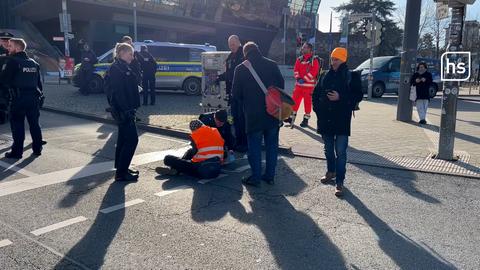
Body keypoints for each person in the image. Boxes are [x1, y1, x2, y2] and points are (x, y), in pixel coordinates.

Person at [231, 42, 284, 187]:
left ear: (245, 53)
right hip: (272, 113)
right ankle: (270, 176)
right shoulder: (272, 64)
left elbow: (236, 94)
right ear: (258, 50)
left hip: (253, 115)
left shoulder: (241, 68)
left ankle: (255, 177)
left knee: (254, 146)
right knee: (272, 146)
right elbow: (282, 86)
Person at [312, 47, 362, 197]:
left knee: (340, 152)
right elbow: (315, 93)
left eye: (336, 59)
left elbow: (358, 95)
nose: (333, 62)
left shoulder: (350, 76)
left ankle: (340, 181)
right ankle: (330, 172)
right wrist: (317, 110)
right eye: (332, 59)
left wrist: (340, 97)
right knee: (328, 149)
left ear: (343, 60)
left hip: (341, 119)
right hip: (325, 119)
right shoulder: (324, 74)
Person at [0, 38, 43, 159]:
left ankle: (17, 152)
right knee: (35, 124)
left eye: (10, 46)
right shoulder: (34, 63)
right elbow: (39, 84)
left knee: (17, 125)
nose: (8, 48)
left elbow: (4, 81)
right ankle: (37, 149)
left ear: (18, 48)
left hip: (18, 99)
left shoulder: (12, 62)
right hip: (34, 98)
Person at [107, 43, 141, 182]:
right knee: (132, 140)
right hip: (123, 110)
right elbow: (118, 92)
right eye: (130, 54)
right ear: (121, 53)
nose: (132, 57)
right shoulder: (116, 68)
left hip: (126, 109)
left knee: (123, 139)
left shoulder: (121, 66)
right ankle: (121, 173)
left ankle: (121, 168)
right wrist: (126, 110)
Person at [155, 120, 224, 179]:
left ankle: (175, 169)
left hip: (202, 170)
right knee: (190, 152)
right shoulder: (215, 131)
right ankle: (176, 169)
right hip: (217, 168)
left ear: (193, 130)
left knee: (168, 158)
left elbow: (195, 153)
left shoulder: (196, 135)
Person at [217, 35, 247, 152]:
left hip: (241, 94)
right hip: (232, 93)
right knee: (234, 118)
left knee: (242, 119)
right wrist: (219, 78)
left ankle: (244, 143)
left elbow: (239, 74)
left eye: (234, 44)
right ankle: (238, 142)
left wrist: (226, 76)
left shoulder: (243, 55)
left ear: (239, 42)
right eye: (230, 45)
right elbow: (229, 73)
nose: (232, 46)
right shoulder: (230, 56)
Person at [286, 42, 321, 128]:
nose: (302, 49)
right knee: (294, 102)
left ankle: (305, 120)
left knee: (307, 104)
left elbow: (314, 71)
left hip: (308, 88)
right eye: (303, 47)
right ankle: (291, 118)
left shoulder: (314, 60)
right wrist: (298, 78)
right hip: (298, 86)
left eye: (305, 47)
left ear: (309, 49)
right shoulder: (299, 59)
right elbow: (296, 70)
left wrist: (304, 79)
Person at [0, 32, 14, 125]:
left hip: (11, 81)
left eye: (7, 40)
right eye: (3, 40)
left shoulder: (15, 51)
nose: (6, 42)